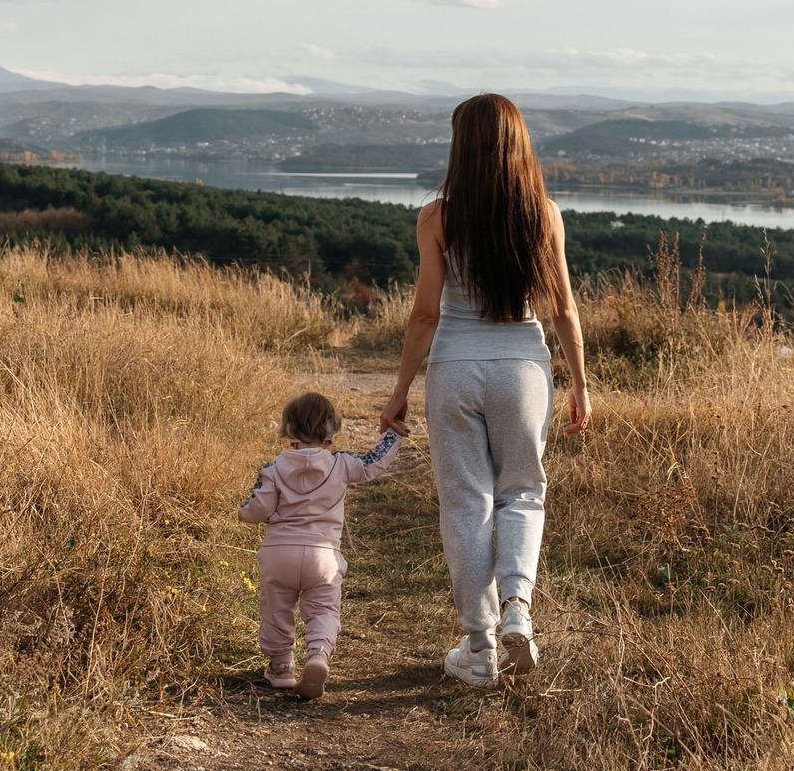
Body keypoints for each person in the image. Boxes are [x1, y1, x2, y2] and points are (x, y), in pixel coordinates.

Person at [380, 93, 591, 688]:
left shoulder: (437, 217)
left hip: (454, 370)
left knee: (466, 504)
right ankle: (518, 610)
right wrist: (579, 384)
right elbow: (565, 310)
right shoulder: (544, 214)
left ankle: (479, 647)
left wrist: (399, 391)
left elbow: (424, 316)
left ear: (461, 146)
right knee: (523, 493)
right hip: (524, 371)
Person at [237, 389, 404, 701]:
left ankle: (282, 666)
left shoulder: (272, 470)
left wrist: (242, 513)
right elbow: (373, 462)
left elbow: (257, 509)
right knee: (324, 610)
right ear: (332, 432)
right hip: (323, 557)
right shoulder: (341, 463)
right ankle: (318, 655)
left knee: (276, 611)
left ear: (288, 432)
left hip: (279, 554)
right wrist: (393, 433)